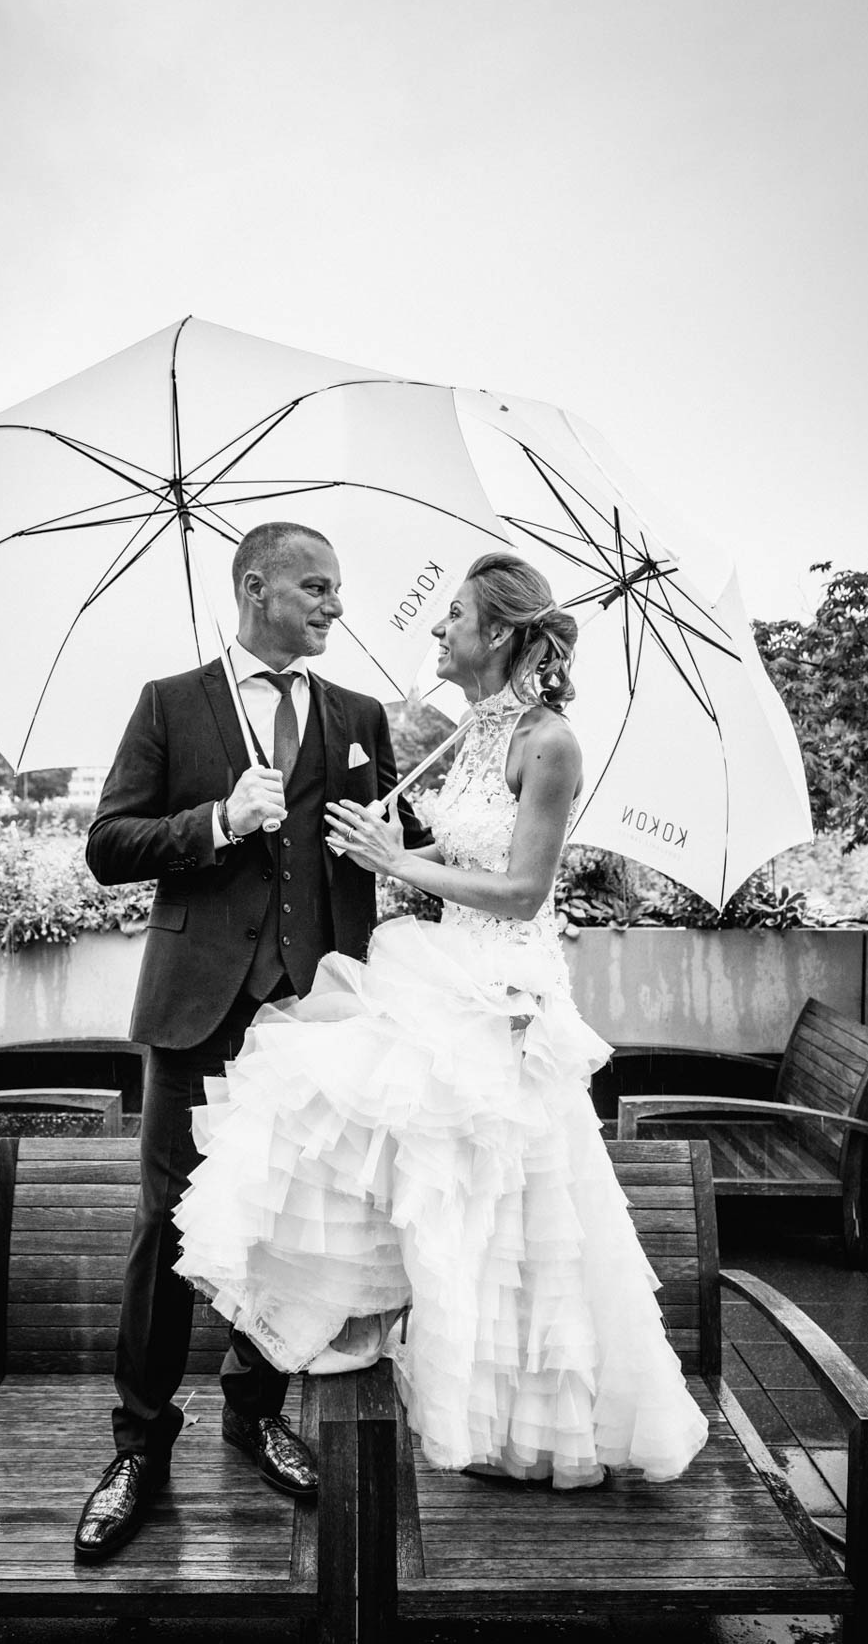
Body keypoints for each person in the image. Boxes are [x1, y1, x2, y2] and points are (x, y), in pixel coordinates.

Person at [174, 551, 709, 1488]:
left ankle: (519, 1424)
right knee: (387, 1165)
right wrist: (390, 838)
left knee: (510, 1210)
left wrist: (398, 862)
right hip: (446, 970)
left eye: (453, 614)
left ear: (497, 632)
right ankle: (280, 1375)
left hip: (506, 993)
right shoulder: (467, 734)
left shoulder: (549, 742)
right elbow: (450, 852)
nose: (437, 626)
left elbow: (524, 889)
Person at [73, 520, 431, 1561]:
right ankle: (139, 1444)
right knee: (165, 1225)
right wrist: (218, 820)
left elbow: (397, 848)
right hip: (197, 1010)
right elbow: (108, 845)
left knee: (285, 1227)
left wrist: (401, 839)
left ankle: (252, 1410)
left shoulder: (360, 715)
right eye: (315, 586)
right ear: (255, 586)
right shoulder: (169, 703)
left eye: (336, 588)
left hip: (316, 1015)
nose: (333, 605)